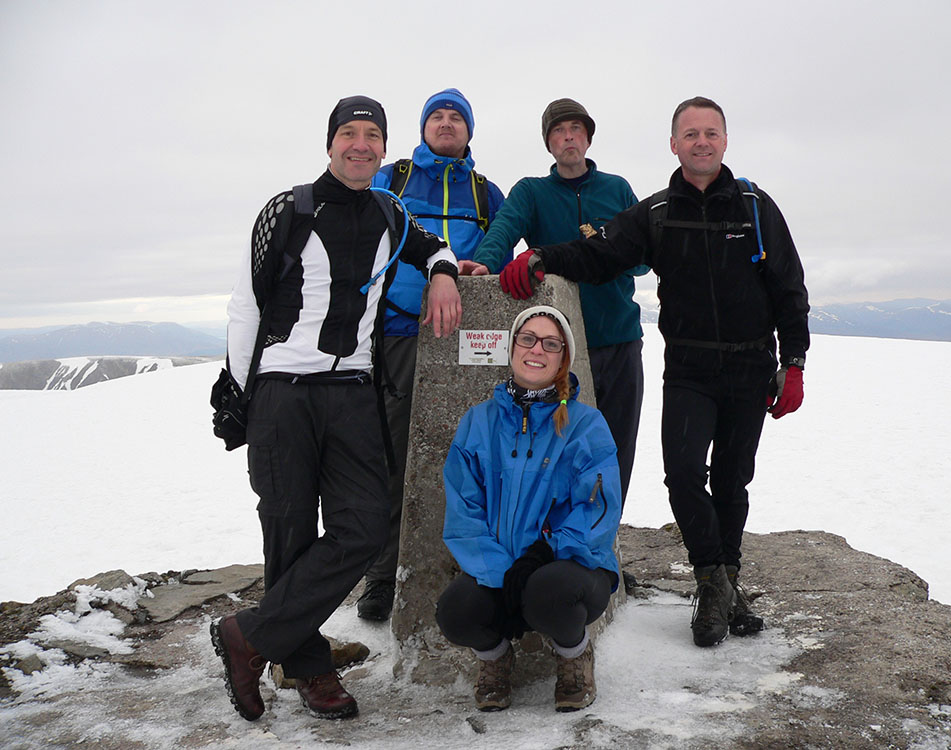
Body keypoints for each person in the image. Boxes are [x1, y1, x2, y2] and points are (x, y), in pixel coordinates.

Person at [499, 96, 809, 648]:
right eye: (690, 134)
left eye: (711, 132)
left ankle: (720, 584)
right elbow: (601, 256)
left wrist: (795, 362)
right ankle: (716, 582)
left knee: (734, 477)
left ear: (725, 140)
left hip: (749, 363)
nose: (701, 142)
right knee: (684, 473)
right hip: (689, 367)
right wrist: (543, 257)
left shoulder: (756, 208)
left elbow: (789, 287)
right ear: (674, 144)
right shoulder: (659, 212)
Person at [211, 95, 462, 722]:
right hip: (282, 392)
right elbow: (246, 305)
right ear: (330, 145)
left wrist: (443, 273)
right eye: (348, 134)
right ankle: (312, 671)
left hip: (352, 390)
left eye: (372, 135)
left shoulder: (390, 210)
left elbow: (434, 247)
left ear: (384, 149)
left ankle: (247, 635)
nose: (360, 145)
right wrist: (239, 392)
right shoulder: (288, 209)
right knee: (289, 532)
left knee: (368, 523)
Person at [356, 88, 506, 622]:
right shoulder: (391, 180)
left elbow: (499, 255)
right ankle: (381, 574)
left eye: (456, 118)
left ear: (469, 132)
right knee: (391, 452)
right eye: (436, 117)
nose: (446, 124)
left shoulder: (488, 194)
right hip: (399, 331)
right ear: (422, 129)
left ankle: (477, 565)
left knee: (478, 452)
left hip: (470, 340)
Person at [435, 306, 622, 712]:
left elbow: (597, 507)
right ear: (513, 346)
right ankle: (496, 659)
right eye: (528, 338)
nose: (537, 349)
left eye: (551, 343)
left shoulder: (586, 424)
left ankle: (574, 658)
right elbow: (464, 510)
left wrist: (544, 555)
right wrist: (502, 571)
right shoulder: (477, 423)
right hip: (499, 566)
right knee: (455, 612)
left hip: (571, 569)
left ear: (562, 358)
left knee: (548, 591)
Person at [464, 98, 646, 507]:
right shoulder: (532, 192)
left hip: (618, 340)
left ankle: (604, 554)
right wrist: (485, 264)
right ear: (549, 144)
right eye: (559, 131)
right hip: (556, 347)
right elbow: (504, 227)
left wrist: (608, 254)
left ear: (588, 138)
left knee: (616, 449)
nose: (569, 137)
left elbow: (644, 258)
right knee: (558, 450)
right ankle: (557, 547)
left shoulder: (617, 189)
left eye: (576, 129)